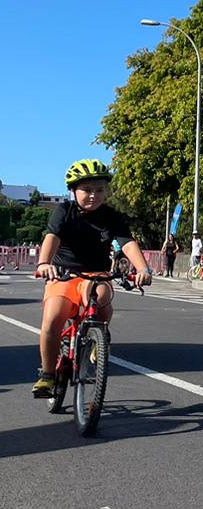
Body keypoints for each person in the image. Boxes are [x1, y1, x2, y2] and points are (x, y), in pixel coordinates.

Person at [32, 159, 153, 397]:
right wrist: (45, 263)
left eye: (99, 190)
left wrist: (143, 269)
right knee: (54, 317)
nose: (93, 196)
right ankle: (47, 375)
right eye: (86, 190)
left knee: (101, 296)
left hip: (96, 273)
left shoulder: (111, 216)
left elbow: (127, 243)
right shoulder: (64, 211)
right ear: (73, 191)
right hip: (64, 274)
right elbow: (52, 237)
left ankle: (98, 336)